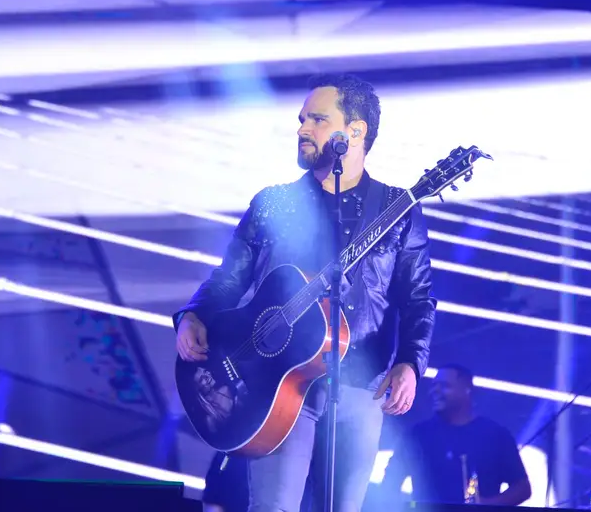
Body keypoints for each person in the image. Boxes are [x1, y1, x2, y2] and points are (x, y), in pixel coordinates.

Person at [175, 73, 437, 512]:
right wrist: (194, 314)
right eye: (302, 119)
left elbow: (418, 298)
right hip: (277, 388)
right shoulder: (273, 203)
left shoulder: (397, 211)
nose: (302, 129)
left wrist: (411, 361)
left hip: (361, 385)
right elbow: (229, 278)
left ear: (355, 131)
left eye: (317, 119)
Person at [382, 364, 532, 506]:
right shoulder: (417, 435)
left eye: (444, 386)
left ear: (467, 390)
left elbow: (522, 488)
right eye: (434, 386)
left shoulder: (495, 435)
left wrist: (487, 505)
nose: (435, 391)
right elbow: (390, 483)